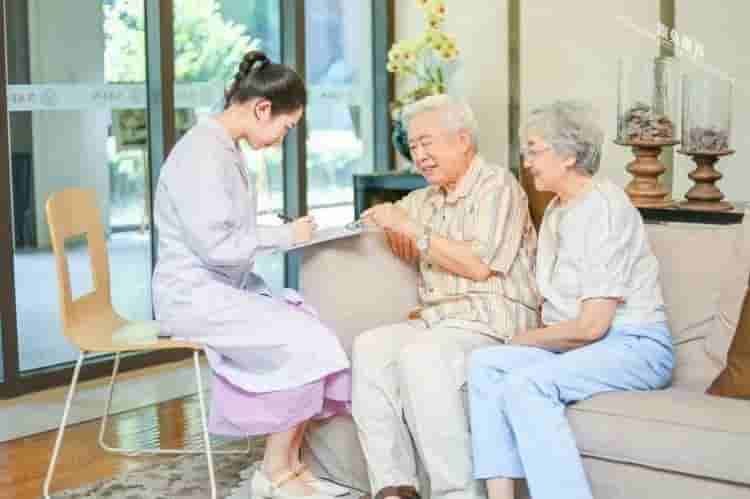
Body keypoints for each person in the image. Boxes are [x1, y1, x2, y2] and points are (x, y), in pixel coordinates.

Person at [151, 51, 351, 499]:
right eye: (287, 127)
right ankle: (274, 471)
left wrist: (281, 235)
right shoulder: (202, 154)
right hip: (192, 297)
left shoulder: (221, 148)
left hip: (217, 289)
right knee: (305, 341)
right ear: (263, 108)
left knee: (311, 326)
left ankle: (291, 466)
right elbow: (217, 246)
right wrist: (286, 235)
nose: (283, 138)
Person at [467, 100, 675, 499]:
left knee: (528, 384)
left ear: (569, 155)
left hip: (636, 346)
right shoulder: (558, 209)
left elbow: (593, 326)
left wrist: (523, 340)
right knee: (485, 364)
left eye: (534, 150)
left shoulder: (604, 209)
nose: (526, 162)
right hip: (585, 347)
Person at [352, 94, 540, 499]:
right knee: (370, 347)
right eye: (413, 146)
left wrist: (412, 231)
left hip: (493, 320)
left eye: (427, 143)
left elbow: (478, 264)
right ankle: (395, 487)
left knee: (422, 356)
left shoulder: (497, 186)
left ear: (463, 140)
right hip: (438, 321)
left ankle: (456, 493)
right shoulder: (426, 198)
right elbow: (381, 220)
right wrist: (383, 219)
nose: (419, 156)